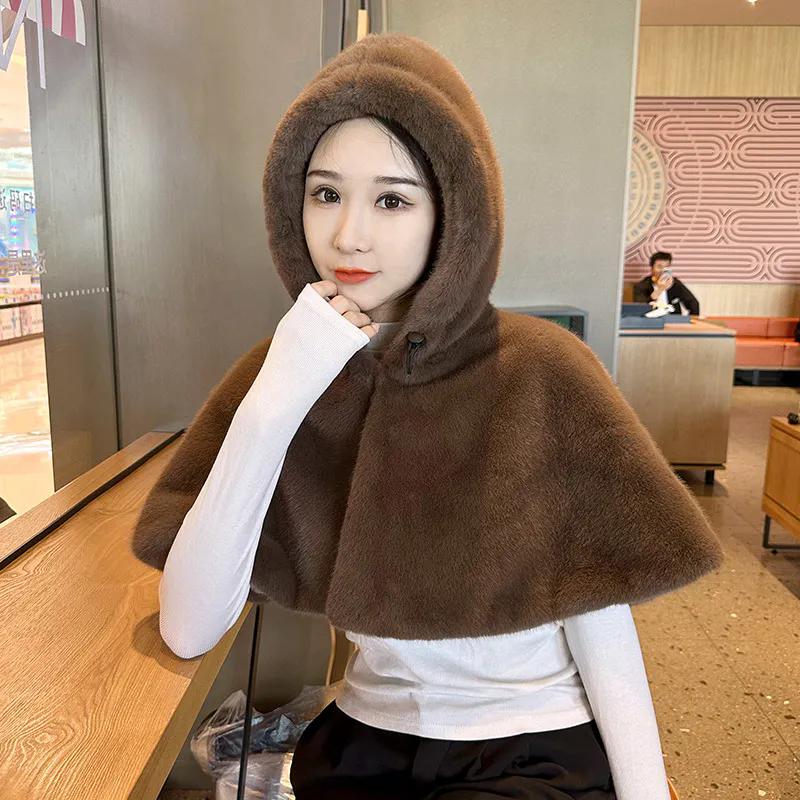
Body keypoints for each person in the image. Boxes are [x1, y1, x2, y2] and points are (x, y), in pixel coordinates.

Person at [132, 34, 722, 800]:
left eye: (392, 199)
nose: (348, 235)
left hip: (530, 750)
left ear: (453, 212)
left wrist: (647, 793)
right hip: (364, 746)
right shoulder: (284, 371)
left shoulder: (539, 369)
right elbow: (188, 628)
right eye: (325, 193)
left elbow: (601, 624)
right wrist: (276, 396)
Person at [633, 251, 700, 316]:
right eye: (659, 267)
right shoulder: (641, 286)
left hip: (672, 320)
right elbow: (641, 309)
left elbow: (693, 303)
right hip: (651, 320)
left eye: (666, 267)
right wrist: (660, 289)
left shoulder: (675, 283)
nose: (663, 270)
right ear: (652, 268)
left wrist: (691, 320)